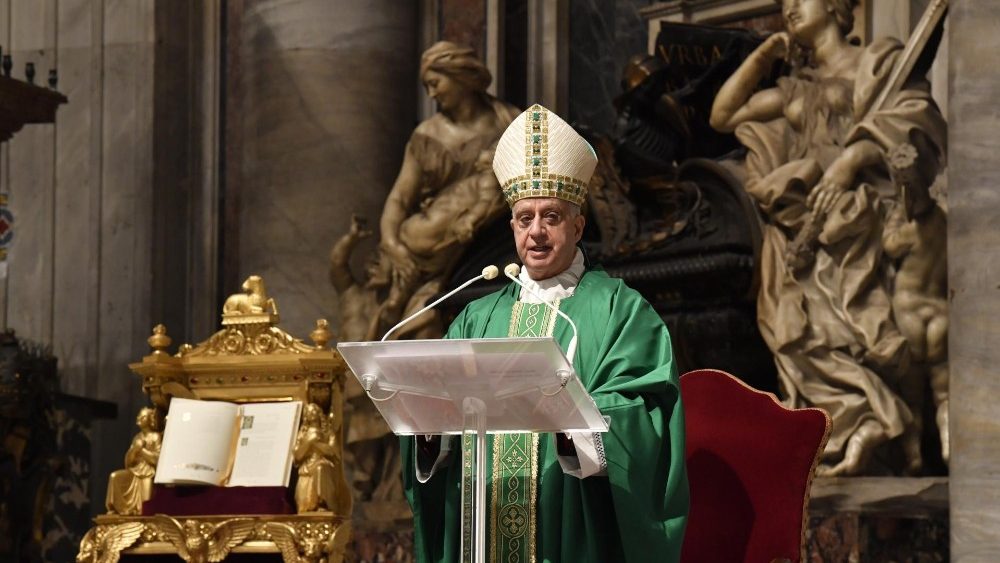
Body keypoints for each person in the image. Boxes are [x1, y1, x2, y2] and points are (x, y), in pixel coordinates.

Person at [400, 104, 689, 562]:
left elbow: (645, 412)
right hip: (484, 525)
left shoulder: (619, 309)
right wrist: (429, 431)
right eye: (524, 218)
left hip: (571, 527)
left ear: (578, 225)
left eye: (550, 217)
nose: (535, 232)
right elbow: (437, 414)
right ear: (512, 226)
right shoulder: (476, 316)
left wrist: (575, 426)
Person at [709, 0, 946, 475]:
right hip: (804, 226)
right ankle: (854, 425)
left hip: (861, 215)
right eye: (784, 5)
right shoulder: (794, 87)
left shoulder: (878, 62)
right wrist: (766, 52)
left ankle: (885, 427)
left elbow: (915, 114)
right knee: (792, 329)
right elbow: (722, 116)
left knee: (866, 329)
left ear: (838, 7)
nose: (791, 8)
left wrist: (853, 158)